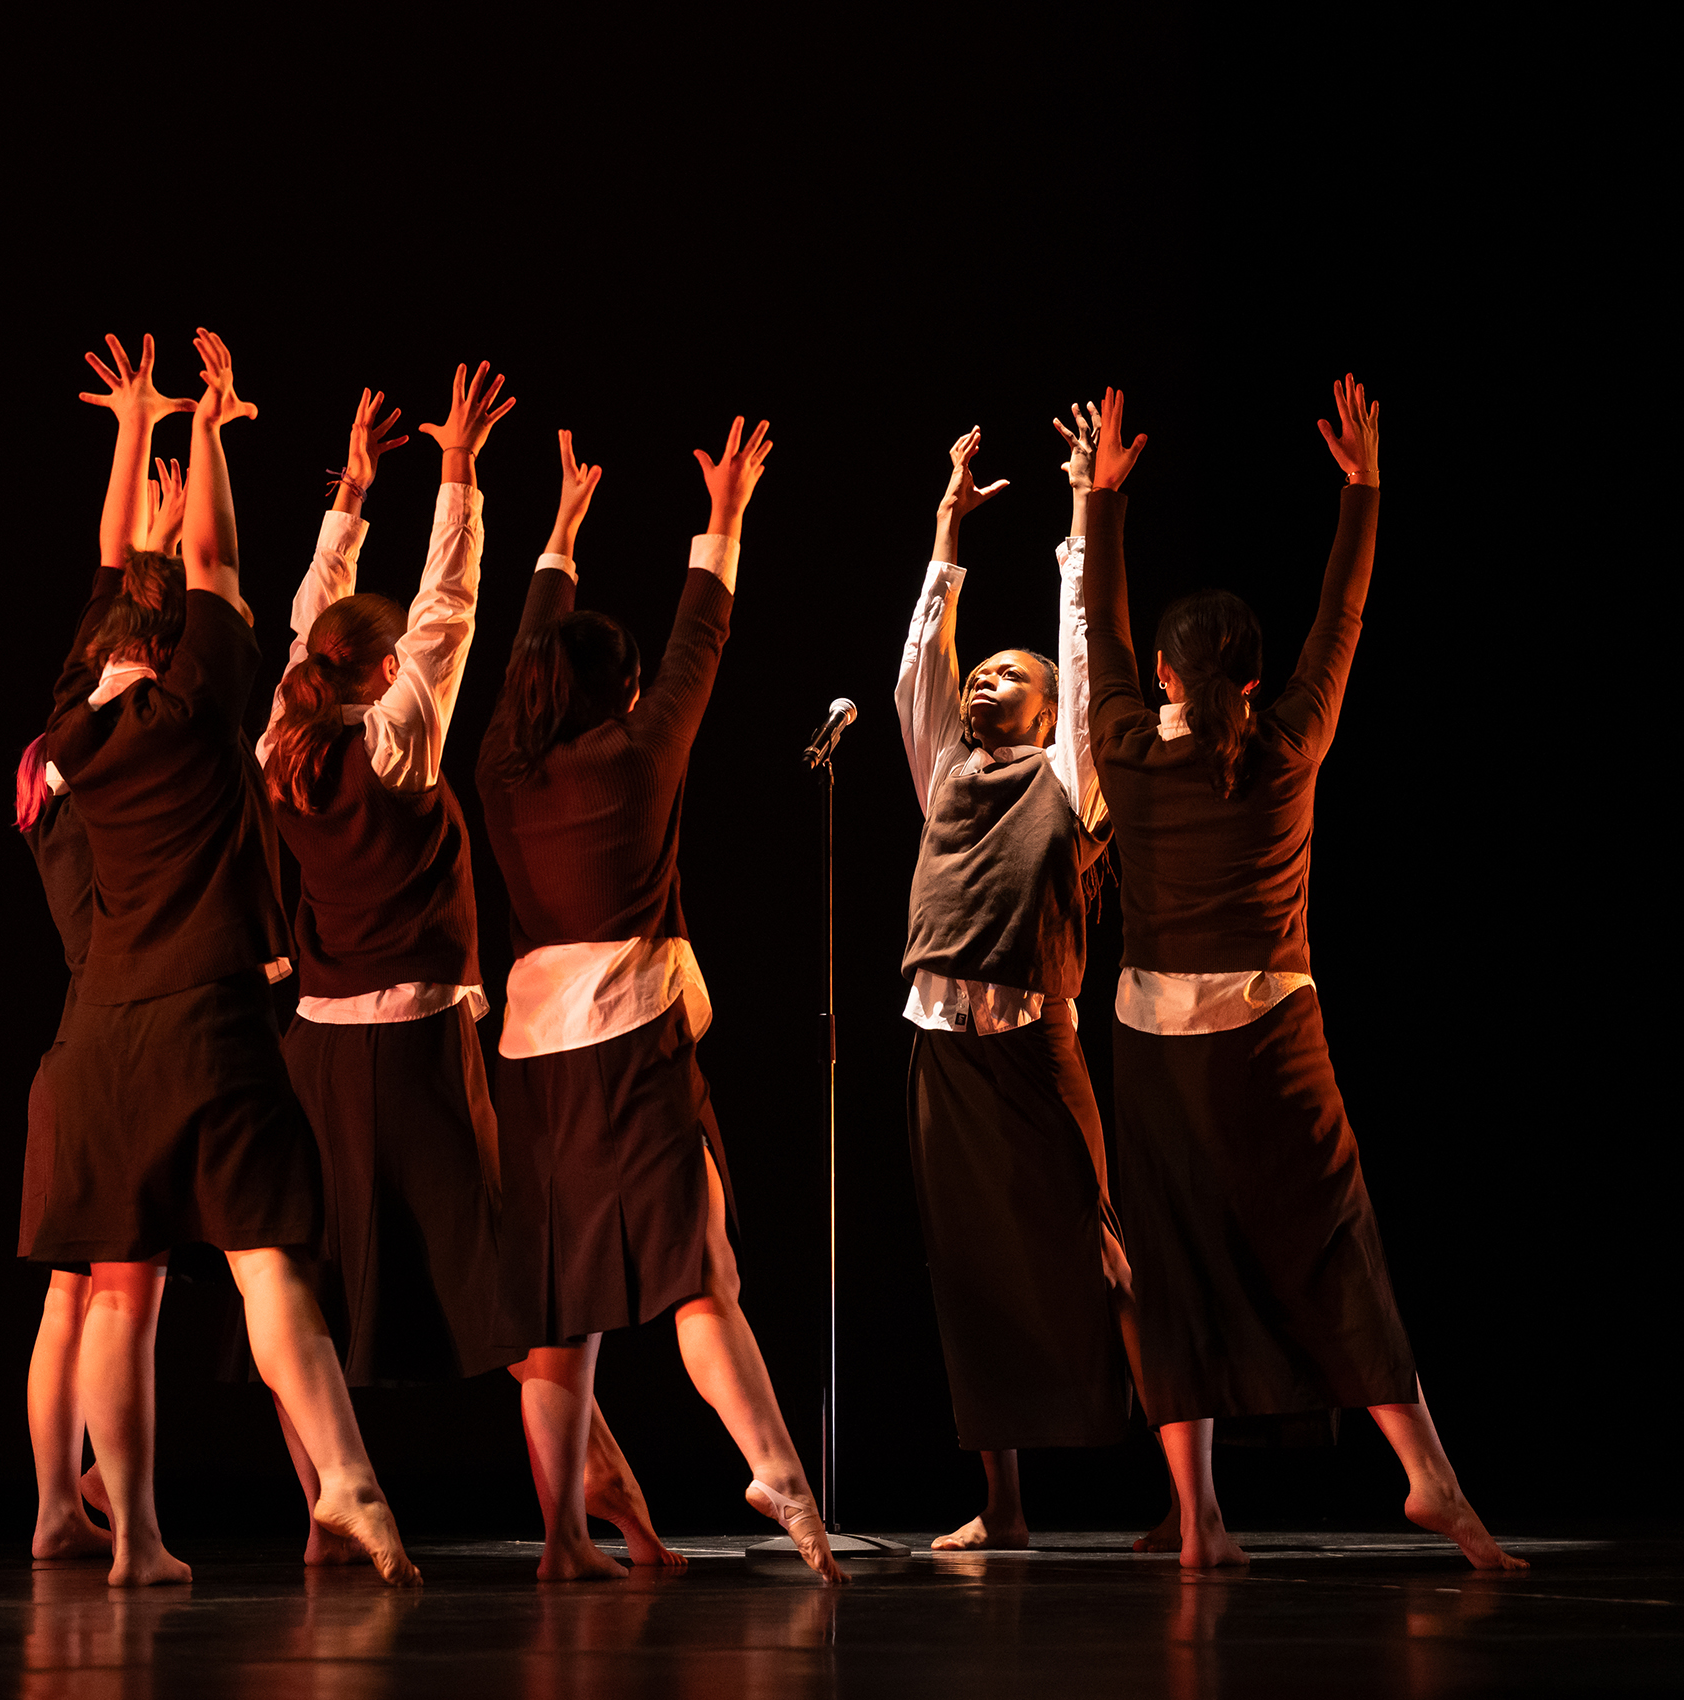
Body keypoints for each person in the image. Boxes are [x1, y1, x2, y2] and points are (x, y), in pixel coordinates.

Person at [1082, 378, 1523, 1571]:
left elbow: (1101, 633)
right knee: (1331, 1238)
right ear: (1253, 674)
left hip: (1153, 1043)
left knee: (1170, 1261)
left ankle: (1201, 1525)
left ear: (1171, 679)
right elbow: (1346, 613)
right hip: (1272, 1037)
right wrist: (1364, 489)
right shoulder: (1288, 743)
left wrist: (1100, 501)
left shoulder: (1125, 743)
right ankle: (1430, 1478)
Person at [256, 372, 679, 1567]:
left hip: (318, 1052)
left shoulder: (281, 737)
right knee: (522, 1282)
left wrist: (353, 492)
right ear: (383, 672)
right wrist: (455, 478)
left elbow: (313, 625)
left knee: (317, 1293)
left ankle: (323, 1515)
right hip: (420, 1045)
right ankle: (580, 1520)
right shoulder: (397, 739)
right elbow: (448, 604)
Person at [35, 329, 418, 1587]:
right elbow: (208, 558)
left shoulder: (70, 733)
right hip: (207, 1011)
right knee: (264, 1252)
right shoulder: (205, 697)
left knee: (116, 1288)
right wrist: (203, 423)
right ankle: (349, 1473)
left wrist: (135, 431)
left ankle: (135, 1539)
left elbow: (120, 572)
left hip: (101, 1027)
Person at [476, 419, 842, 1583]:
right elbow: (702, 641)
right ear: (621, 692)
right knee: (698, 1270)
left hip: (534, 1056)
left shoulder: (500, 770)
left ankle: (559, 1543)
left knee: (556, 1302)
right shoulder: (637, 759)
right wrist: (721, 520)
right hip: (634, 1043)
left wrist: (560, 541)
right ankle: (781, 1473)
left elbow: (532, 652)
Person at [895, 416, 1150, 1550]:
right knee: (969, 1271)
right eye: (984, 673)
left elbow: (1085, 649)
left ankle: (1185, 1493)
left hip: (1032, 1045)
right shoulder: (946, 764)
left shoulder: (1071, 778)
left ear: (1052, 718)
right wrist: (947, 528)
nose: (989, 680)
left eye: (1013, 675)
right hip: (940, 1044)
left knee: (1100, 1252)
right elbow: (918, 664)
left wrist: (1081, 524)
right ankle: (1001, 1506)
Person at [14, 386, 187, 1562]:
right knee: (128, 1298)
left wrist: (132, 440)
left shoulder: (53, 750)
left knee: (70, 1293)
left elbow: (101, 582)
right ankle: (136, 1531)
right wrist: (170, 555)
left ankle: (48, 1513)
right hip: (127, 1030)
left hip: (70, 1036)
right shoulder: (143, 750)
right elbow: (124, 601)